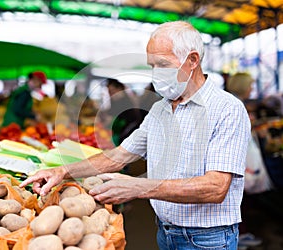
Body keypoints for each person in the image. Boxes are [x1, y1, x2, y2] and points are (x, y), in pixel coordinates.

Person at [20, 21, 251, 250]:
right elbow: (119, 156)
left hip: (207, 239)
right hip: (165, 231)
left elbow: (215, 187)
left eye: (163, 64)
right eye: (152, 65)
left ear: (192, 60)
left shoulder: (226, 109)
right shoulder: (161, 108)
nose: (156, 73)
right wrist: (62, 171)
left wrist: (138, 187)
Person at [226, 72, 271, 249]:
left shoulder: (231, 102)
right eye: (250, 86)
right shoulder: (235, 105)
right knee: (238, 198)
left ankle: (238, 234)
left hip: (235, 157)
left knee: (238, 198)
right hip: (236, 159)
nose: (252, 89)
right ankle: (239, 236)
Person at [99, 78, 143, 146]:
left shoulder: (124, 101)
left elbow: (116, 117)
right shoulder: (116, 100)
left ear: (119, 89)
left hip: (128, 131)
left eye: (112, 91)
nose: (111, 94)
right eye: (109, 92)